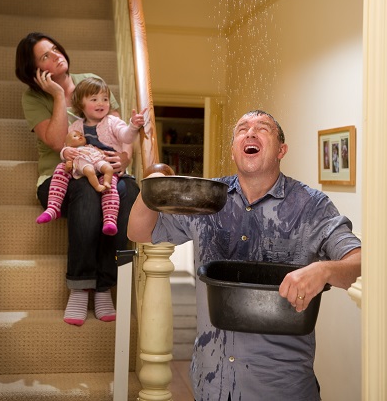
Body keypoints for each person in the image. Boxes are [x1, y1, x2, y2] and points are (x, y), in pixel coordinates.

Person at [127, 109, 361, 401]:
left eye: (262, 128)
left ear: (281, 150)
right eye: (242, 129)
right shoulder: (208, 197)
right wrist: (151, 185)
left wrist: (323, 271)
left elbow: (360, 264)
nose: (250, 132)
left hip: (280, 388)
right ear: (234, 150)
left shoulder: (311, 207)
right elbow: (139, 231)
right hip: (210, 384)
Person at [16, 31, 141, 326]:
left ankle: (103, 287)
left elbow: (120, 129)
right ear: (34, 70)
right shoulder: (33, 97)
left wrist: (125, 157)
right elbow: (60, 143)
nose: (57, 55)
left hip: (105, 170)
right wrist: (60, 96)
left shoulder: (91, 81)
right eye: (45, 55)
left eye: (56, 48)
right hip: (60, 176)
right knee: (85, 189)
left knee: (128, 190)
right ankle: (81, 285)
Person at [36, 77, 145, 236]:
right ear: (81, 105)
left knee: (109, 186)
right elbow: (67, 146)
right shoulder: (76, 126)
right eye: (94, 99)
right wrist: (65, 153)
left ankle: (109, 219)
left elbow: (126, 137)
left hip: (104, 166)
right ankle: (53, 207)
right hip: (83, 166)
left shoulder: (112, 122)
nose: (101, 103)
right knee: (60, 169)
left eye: (105, 99)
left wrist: (133, 126)